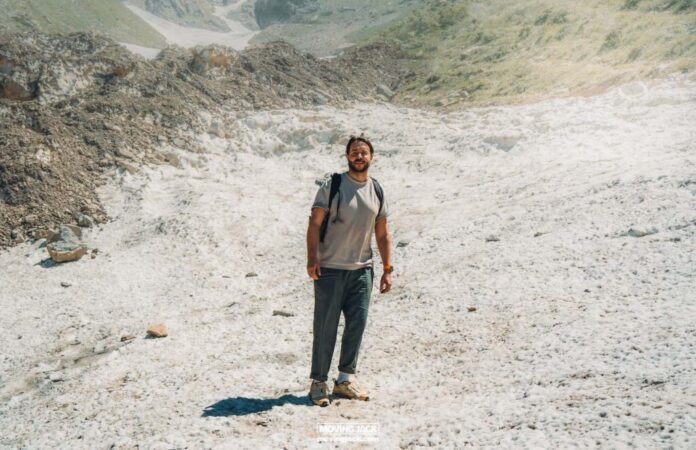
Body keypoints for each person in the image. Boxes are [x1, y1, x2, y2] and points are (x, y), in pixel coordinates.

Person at [306, 135, 393, 407]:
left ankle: (345, 380)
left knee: (357, 325)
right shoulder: (332, 185)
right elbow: (314, 224)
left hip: (362, 270)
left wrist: (387, 269)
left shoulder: (376, 189)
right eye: (354, 152)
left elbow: (382, 233)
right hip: (330, 269)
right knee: (325, 327)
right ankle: (318, 383)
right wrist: (312, 259)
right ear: (347, 157)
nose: (359, 156)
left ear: (371, 157)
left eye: (364, 152)